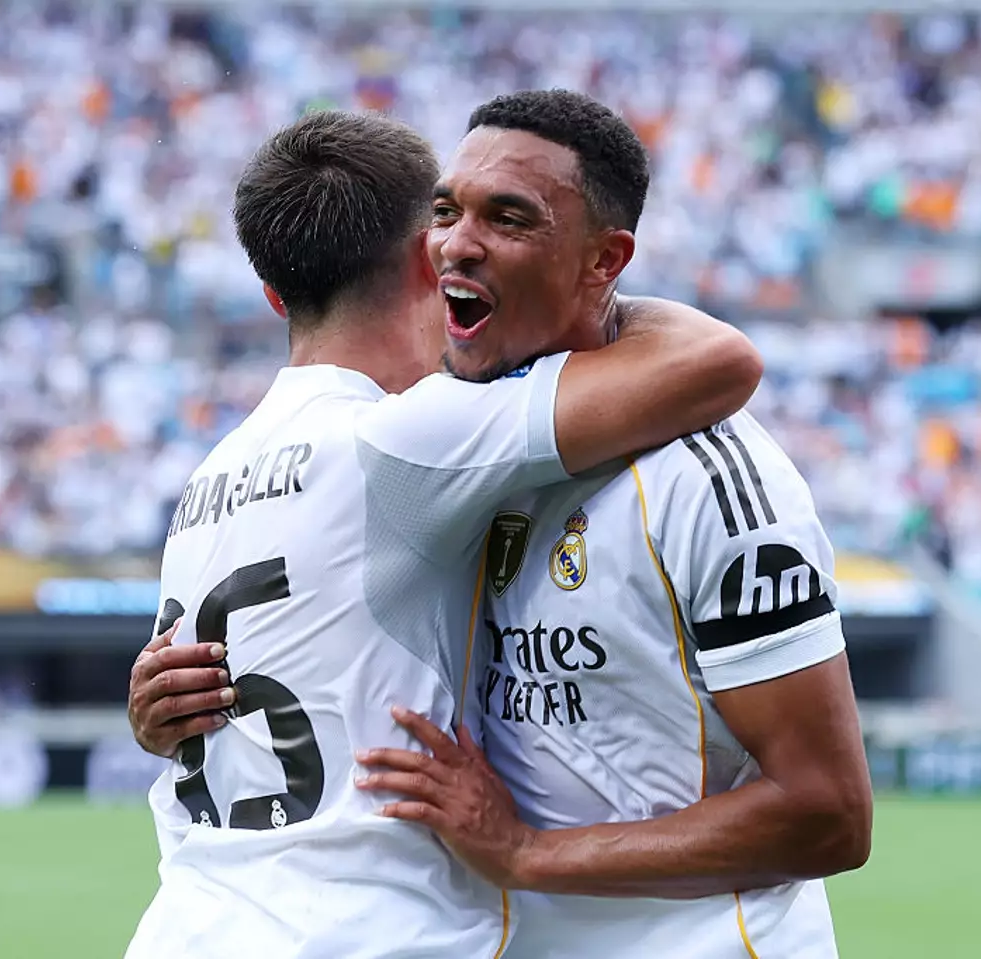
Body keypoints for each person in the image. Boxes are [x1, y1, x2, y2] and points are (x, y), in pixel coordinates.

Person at [122, 106, 762, 959]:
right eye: (447, 222)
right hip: (356, 933)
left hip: (190, 921)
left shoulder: (211, 479)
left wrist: (148, 719)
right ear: (429, 259)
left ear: (275, 294)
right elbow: (719, 362)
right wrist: (585, 280)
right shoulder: (410, 438)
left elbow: (186, 706)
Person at [354, 90, 872, 959]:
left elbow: (827, 811)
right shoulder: (457, 438)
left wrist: (526, 853)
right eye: (446, 210)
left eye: (508, 217)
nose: (457, 242)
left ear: (605, 260)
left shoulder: (711, 479)